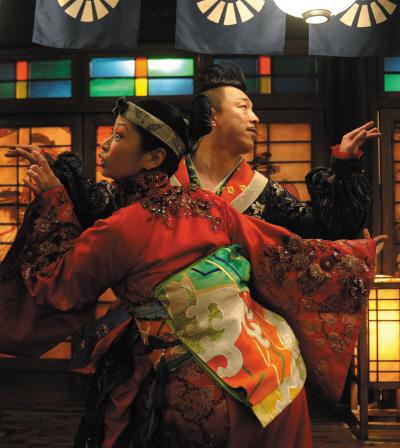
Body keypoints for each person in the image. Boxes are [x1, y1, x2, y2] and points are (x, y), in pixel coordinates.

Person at [0, 98, 384, 448]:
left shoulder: (119, 229)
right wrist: (352, 257)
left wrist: (52, 199)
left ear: (154, 157)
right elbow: (280, 251)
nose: (104, 144)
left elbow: (55, 286)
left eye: (118, 136)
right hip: (273, 374)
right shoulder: (206, 204)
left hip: (192, 388)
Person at [172, 64, 379, 239]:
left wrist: (343, 165)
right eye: (243, 107)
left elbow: (325, 229)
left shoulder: (263, 192)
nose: (255, 118)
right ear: (212, 117)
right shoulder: (166, 178)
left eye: (252, 109)